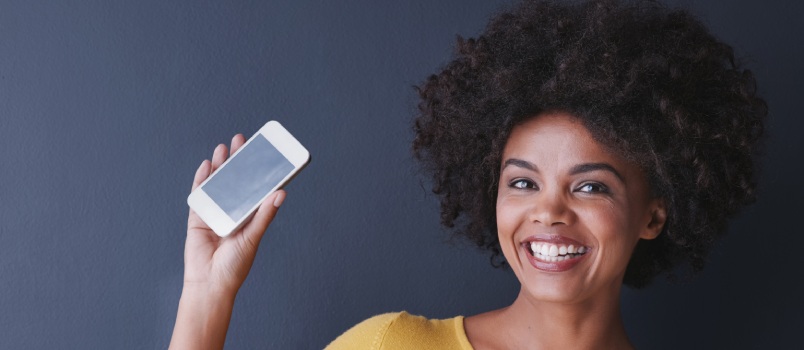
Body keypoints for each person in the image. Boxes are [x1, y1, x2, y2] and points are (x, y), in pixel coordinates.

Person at [170, 0, 767, 348]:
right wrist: (206, 292)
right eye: (523, 181)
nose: (549, 212)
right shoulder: (393, 346)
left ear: (654, 214)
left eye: (590, 185)